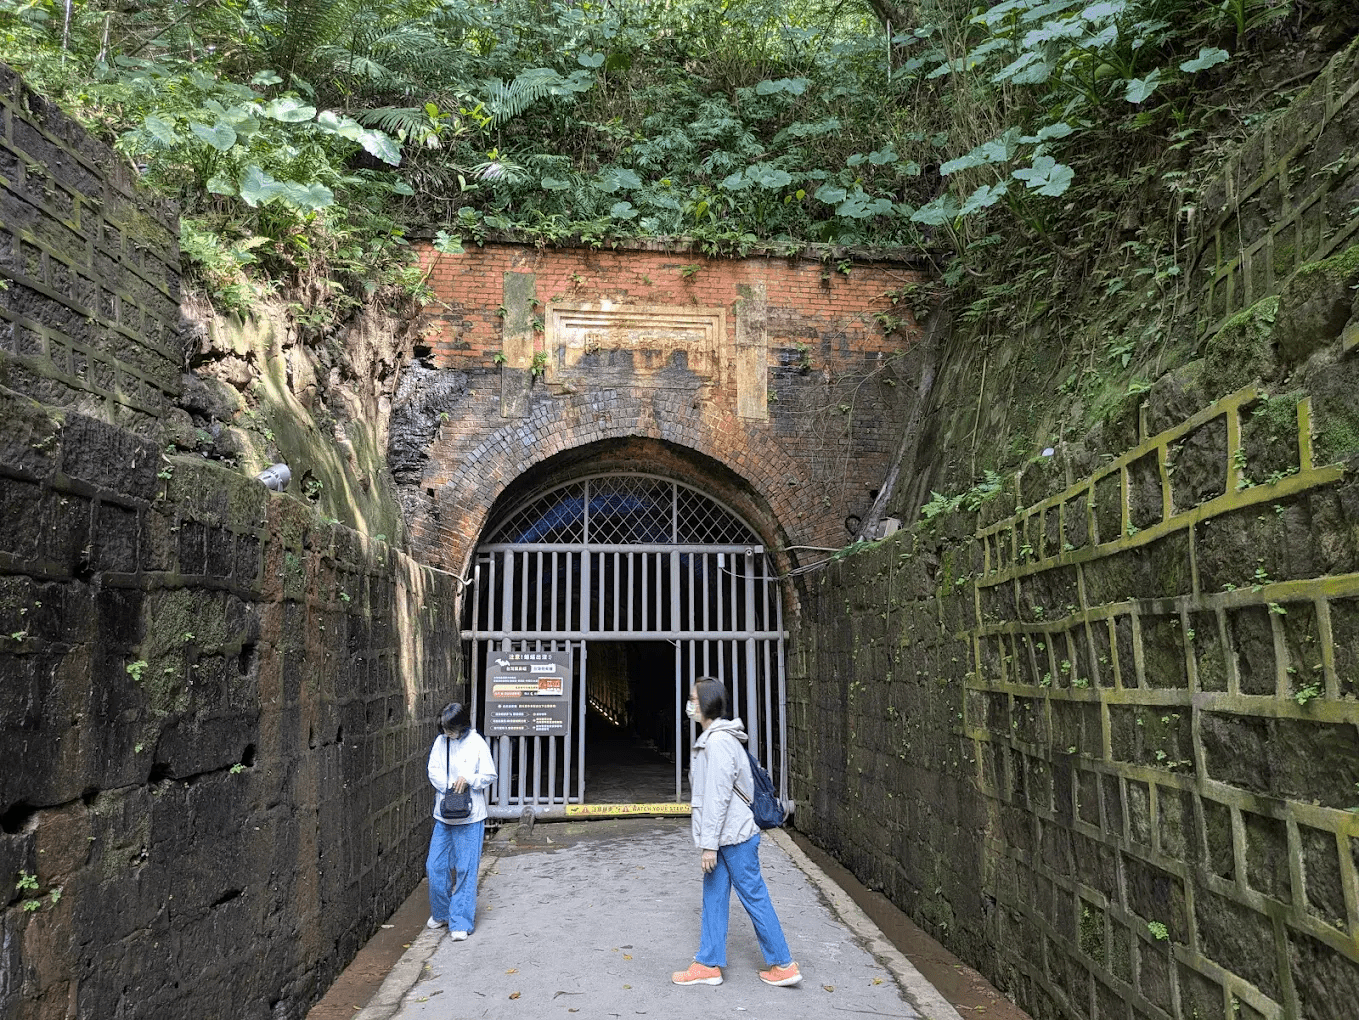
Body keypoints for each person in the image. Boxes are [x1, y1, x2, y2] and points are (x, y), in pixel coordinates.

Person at [671, 677, 802, 988]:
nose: (690, 703)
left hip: (734, 838)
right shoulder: (718, 740)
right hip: (729, 836)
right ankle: (708, 963)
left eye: (693, 698)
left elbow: (716, 799)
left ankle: (783, 963)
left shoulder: (717, 744)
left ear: (704, 704)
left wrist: (708, 846)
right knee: (714, 895)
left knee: (754, 896)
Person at [425, 701, 497, 941]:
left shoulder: (477, 743)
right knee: (435, 866)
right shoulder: (440, 742)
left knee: (466, 869)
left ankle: (461, 922)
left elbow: (489, 774)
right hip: (444, 814)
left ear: (461, 725)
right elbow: (433, 769)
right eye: (444, 729)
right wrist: (447, 785)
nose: (447, 733)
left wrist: (469, 779)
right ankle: (443, 912)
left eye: (450, 729)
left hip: (470, 816)